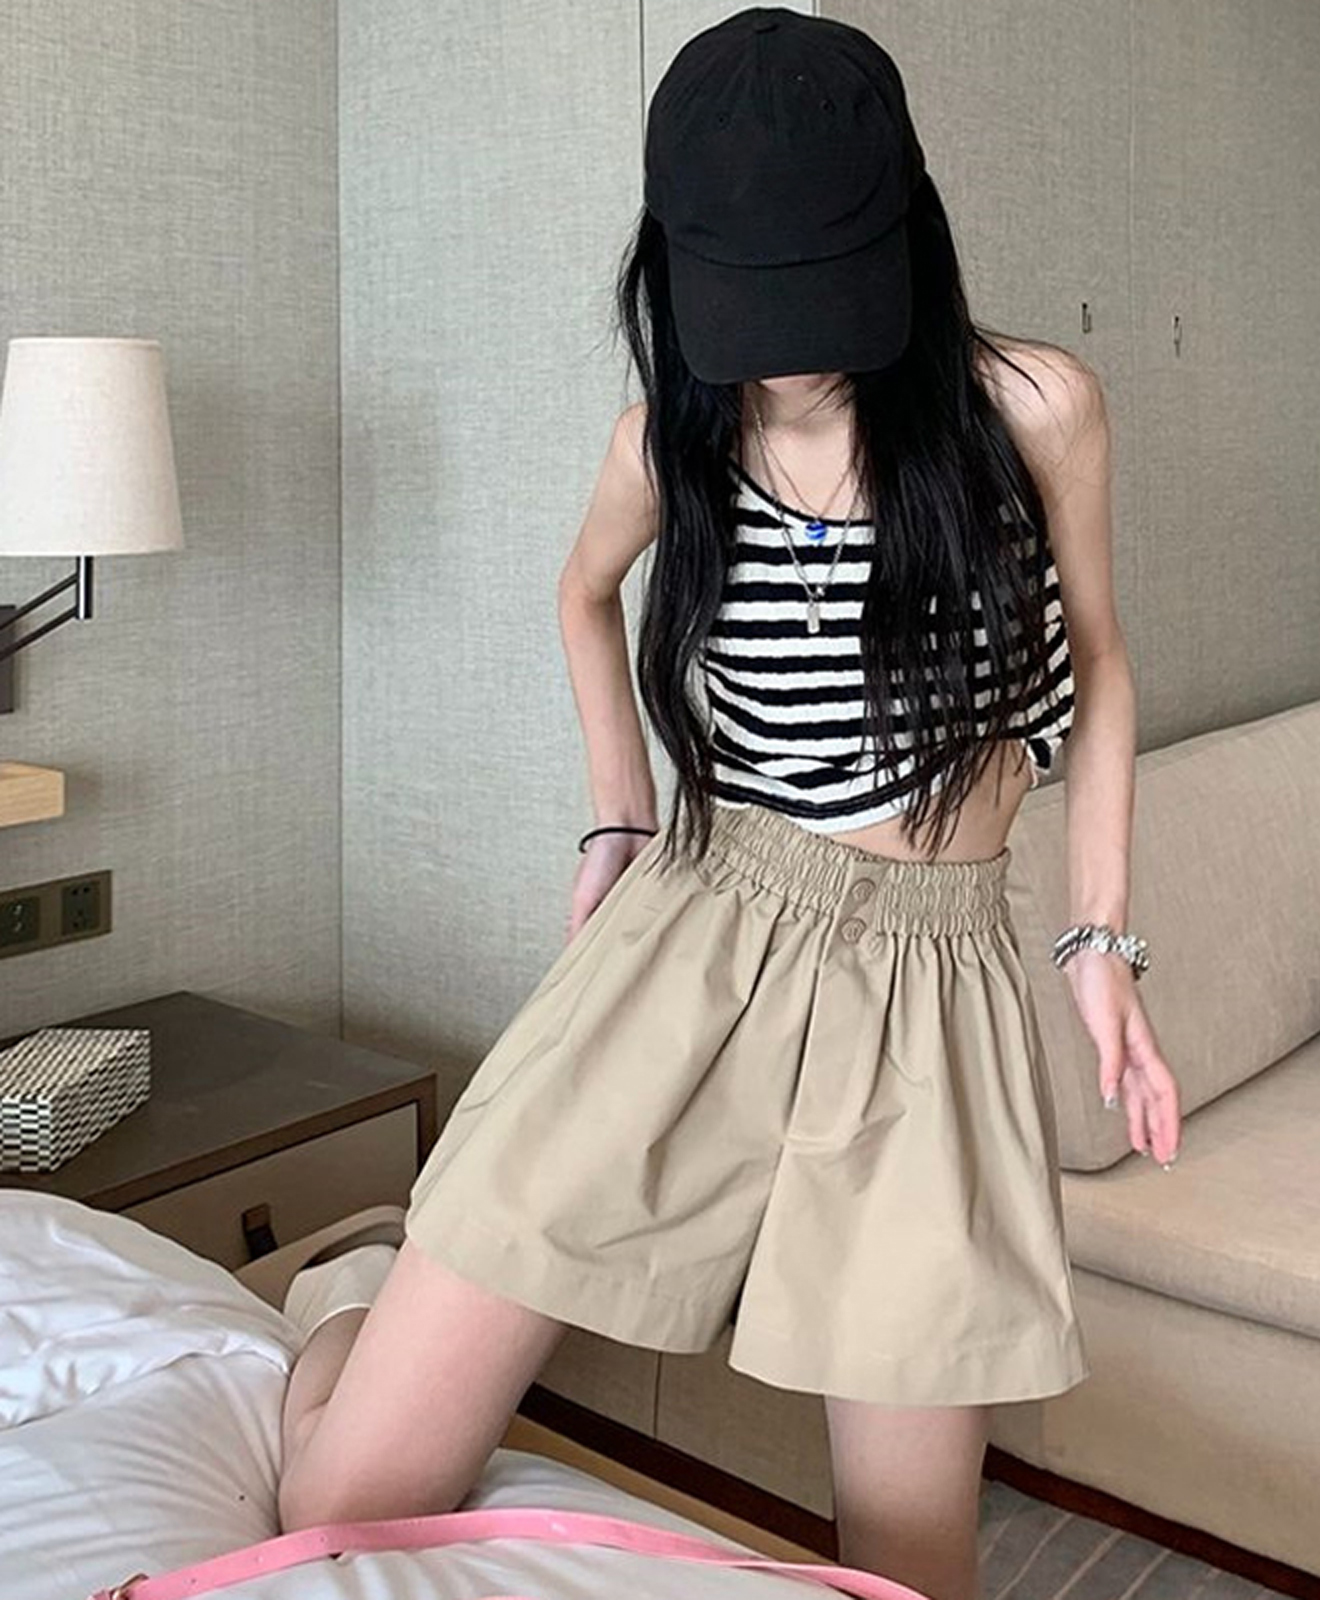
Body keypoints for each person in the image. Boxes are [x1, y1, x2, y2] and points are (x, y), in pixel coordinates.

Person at [272, 10, 1182, 1600]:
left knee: (909, 1563)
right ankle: (347, 1296)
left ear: (904, 238)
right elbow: (582, 594)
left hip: (934, 974)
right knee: (337, 1505)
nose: (784, 354)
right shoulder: (667, 443)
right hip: (706, 922)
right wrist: (617, 820)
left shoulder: (1035, 407)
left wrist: (1099, 939)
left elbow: (1097, 662)